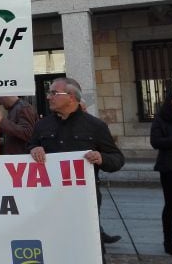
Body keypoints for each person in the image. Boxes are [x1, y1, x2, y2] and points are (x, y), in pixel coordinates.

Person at [27, 77, 124, 260]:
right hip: (49, 198)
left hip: (84, 199)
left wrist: (101, 158)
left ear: (71, 97)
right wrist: (34, 149)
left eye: (54, 93)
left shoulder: (96, 126)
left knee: (89, 243)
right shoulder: (42, 125)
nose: (48, 97)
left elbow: (117, 159)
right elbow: (29, 147)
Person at [150, 89, 172, 256]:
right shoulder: (161, 119)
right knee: (171, 207)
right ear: (170, 102)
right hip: (171, 170)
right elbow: (155, 142)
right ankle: (169, 243)